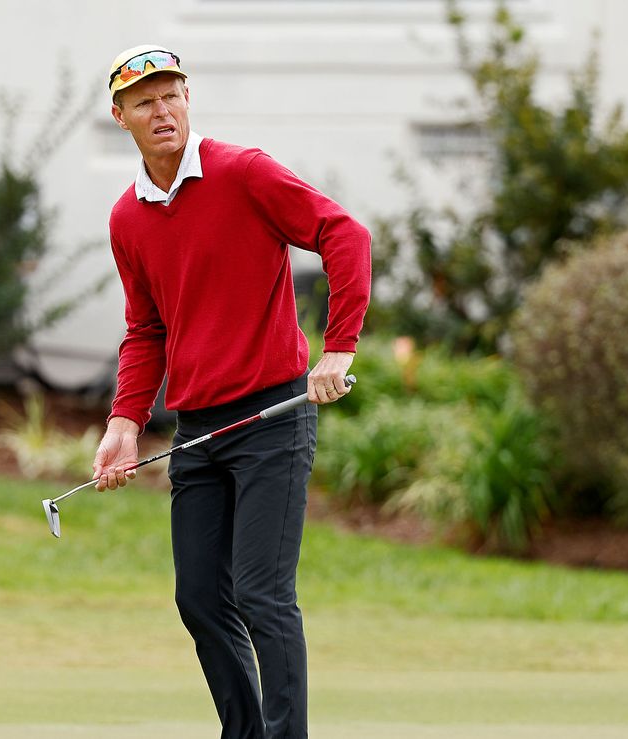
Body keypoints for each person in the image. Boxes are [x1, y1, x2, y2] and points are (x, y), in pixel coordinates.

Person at [92, 44, 371, 739]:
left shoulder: (242, 172)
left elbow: (345, 234)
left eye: (172, 95)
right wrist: (125, 422)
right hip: (200, 430)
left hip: (274, 418)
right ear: (120, 115)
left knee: (261, 593)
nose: (163, 111)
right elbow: (146, 327)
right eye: (146, 102)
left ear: (188, 99)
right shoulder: (127, 219)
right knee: (199, 599)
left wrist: (338, 345)